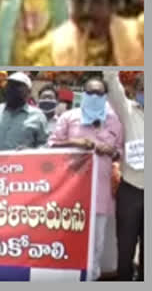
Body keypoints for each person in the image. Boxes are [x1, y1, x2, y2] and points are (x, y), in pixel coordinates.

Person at [48, 76, 124, 281]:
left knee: (96, 245)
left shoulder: (114, 121)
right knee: (67, 239)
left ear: (105, 96)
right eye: (90, 92)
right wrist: (74, 142)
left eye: (99, 93)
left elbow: (122, 153)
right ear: (83, 93)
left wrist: (112, 151)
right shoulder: (69, 117)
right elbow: (51, 146)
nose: (94, 96)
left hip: (100, 194)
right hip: (70, 194)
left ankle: (91, 279)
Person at [26, 0, 144, 66]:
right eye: (80, 2)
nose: (86, 10)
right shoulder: (50, 48)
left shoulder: (140, 35)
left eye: (96, 2)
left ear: (113, 5)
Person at [105, 71, 144, 281]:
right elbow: (112, 81)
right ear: (136, 92)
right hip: (131, 189)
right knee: (126, 244)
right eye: (143, 90)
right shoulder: (127, 109)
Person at [0, 73, 48, 151]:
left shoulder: (38, 116)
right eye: (9, 85)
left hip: (25, 162)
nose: (11, 89)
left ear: (28, 92)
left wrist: (29, 152)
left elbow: (44, 145)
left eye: (17, 86)